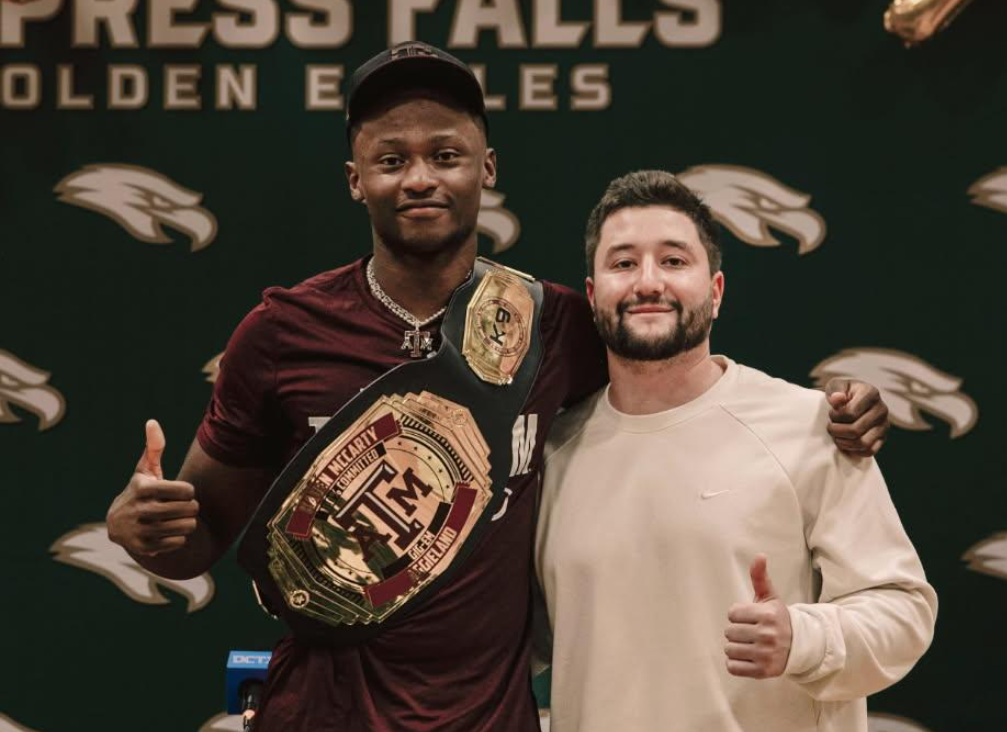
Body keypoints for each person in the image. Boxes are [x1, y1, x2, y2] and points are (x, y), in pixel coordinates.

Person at [104, 44, 890, 731]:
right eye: (391, 160)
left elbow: (682, 384)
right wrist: (141, 527)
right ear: (355, 180)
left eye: (446, 155)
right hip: (320, 712)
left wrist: (837, 416)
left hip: (487, 718)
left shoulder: (553, 327)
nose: (420, 178)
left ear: (487, 168)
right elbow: (197, 538)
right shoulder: (282, 334)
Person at [534, 170, 937, 732]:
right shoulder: (549, 453)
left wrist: (803, 639)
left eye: (674, 260)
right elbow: (503, 640)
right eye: (623, 263)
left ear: (716, 292)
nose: (648, 282)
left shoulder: (809, 427)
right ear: (594, 294)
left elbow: (903, 610)